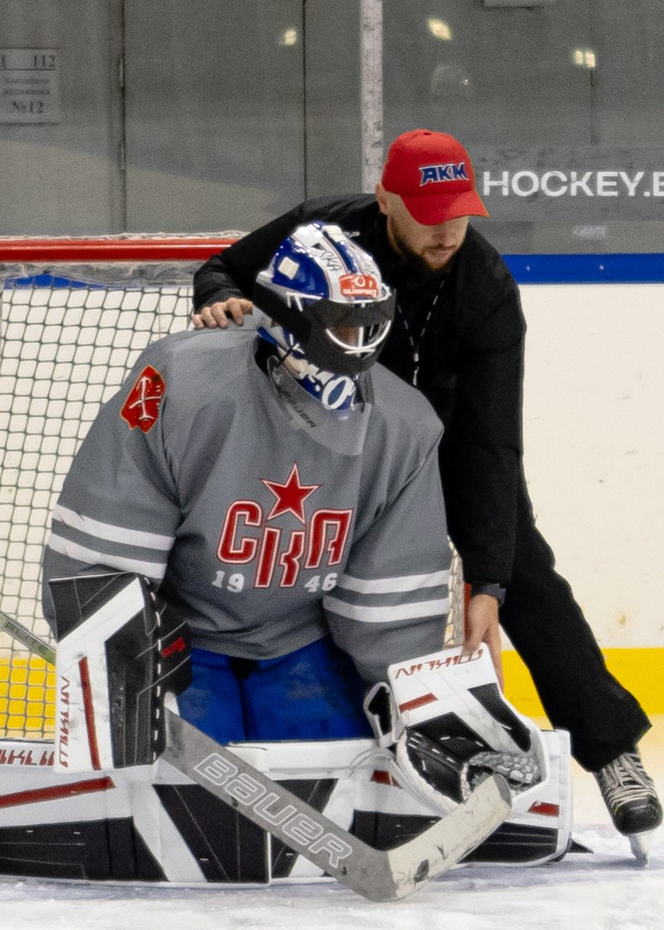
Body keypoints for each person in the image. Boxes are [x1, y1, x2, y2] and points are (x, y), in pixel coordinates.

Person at [190, 128, 663, 839]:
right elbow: (221, 270)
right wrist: (222, 297)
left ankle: (613, 749)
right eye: (427, 209)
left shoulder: (487, 289)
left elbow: (492, 444)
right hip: (327, 437)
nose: (447, 228)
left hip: (437, 445)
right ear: (386, 200)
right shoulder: (325, 230)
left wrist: (489, 582)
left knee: (523, 568)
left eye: (459, 209)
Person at [42, 220, 455, 744]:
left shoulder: (406, 425)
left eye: (367, 324)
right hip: (178, 638)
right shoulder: (182, 382)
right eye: (342, 325)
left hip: (304, 642)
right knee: (170, 794)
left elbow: (388, 599)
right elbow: (103, 548)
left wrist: (417, 713)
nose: (357, 343)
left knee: (343, 768)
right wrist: (117, 658)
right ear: (287, 315)